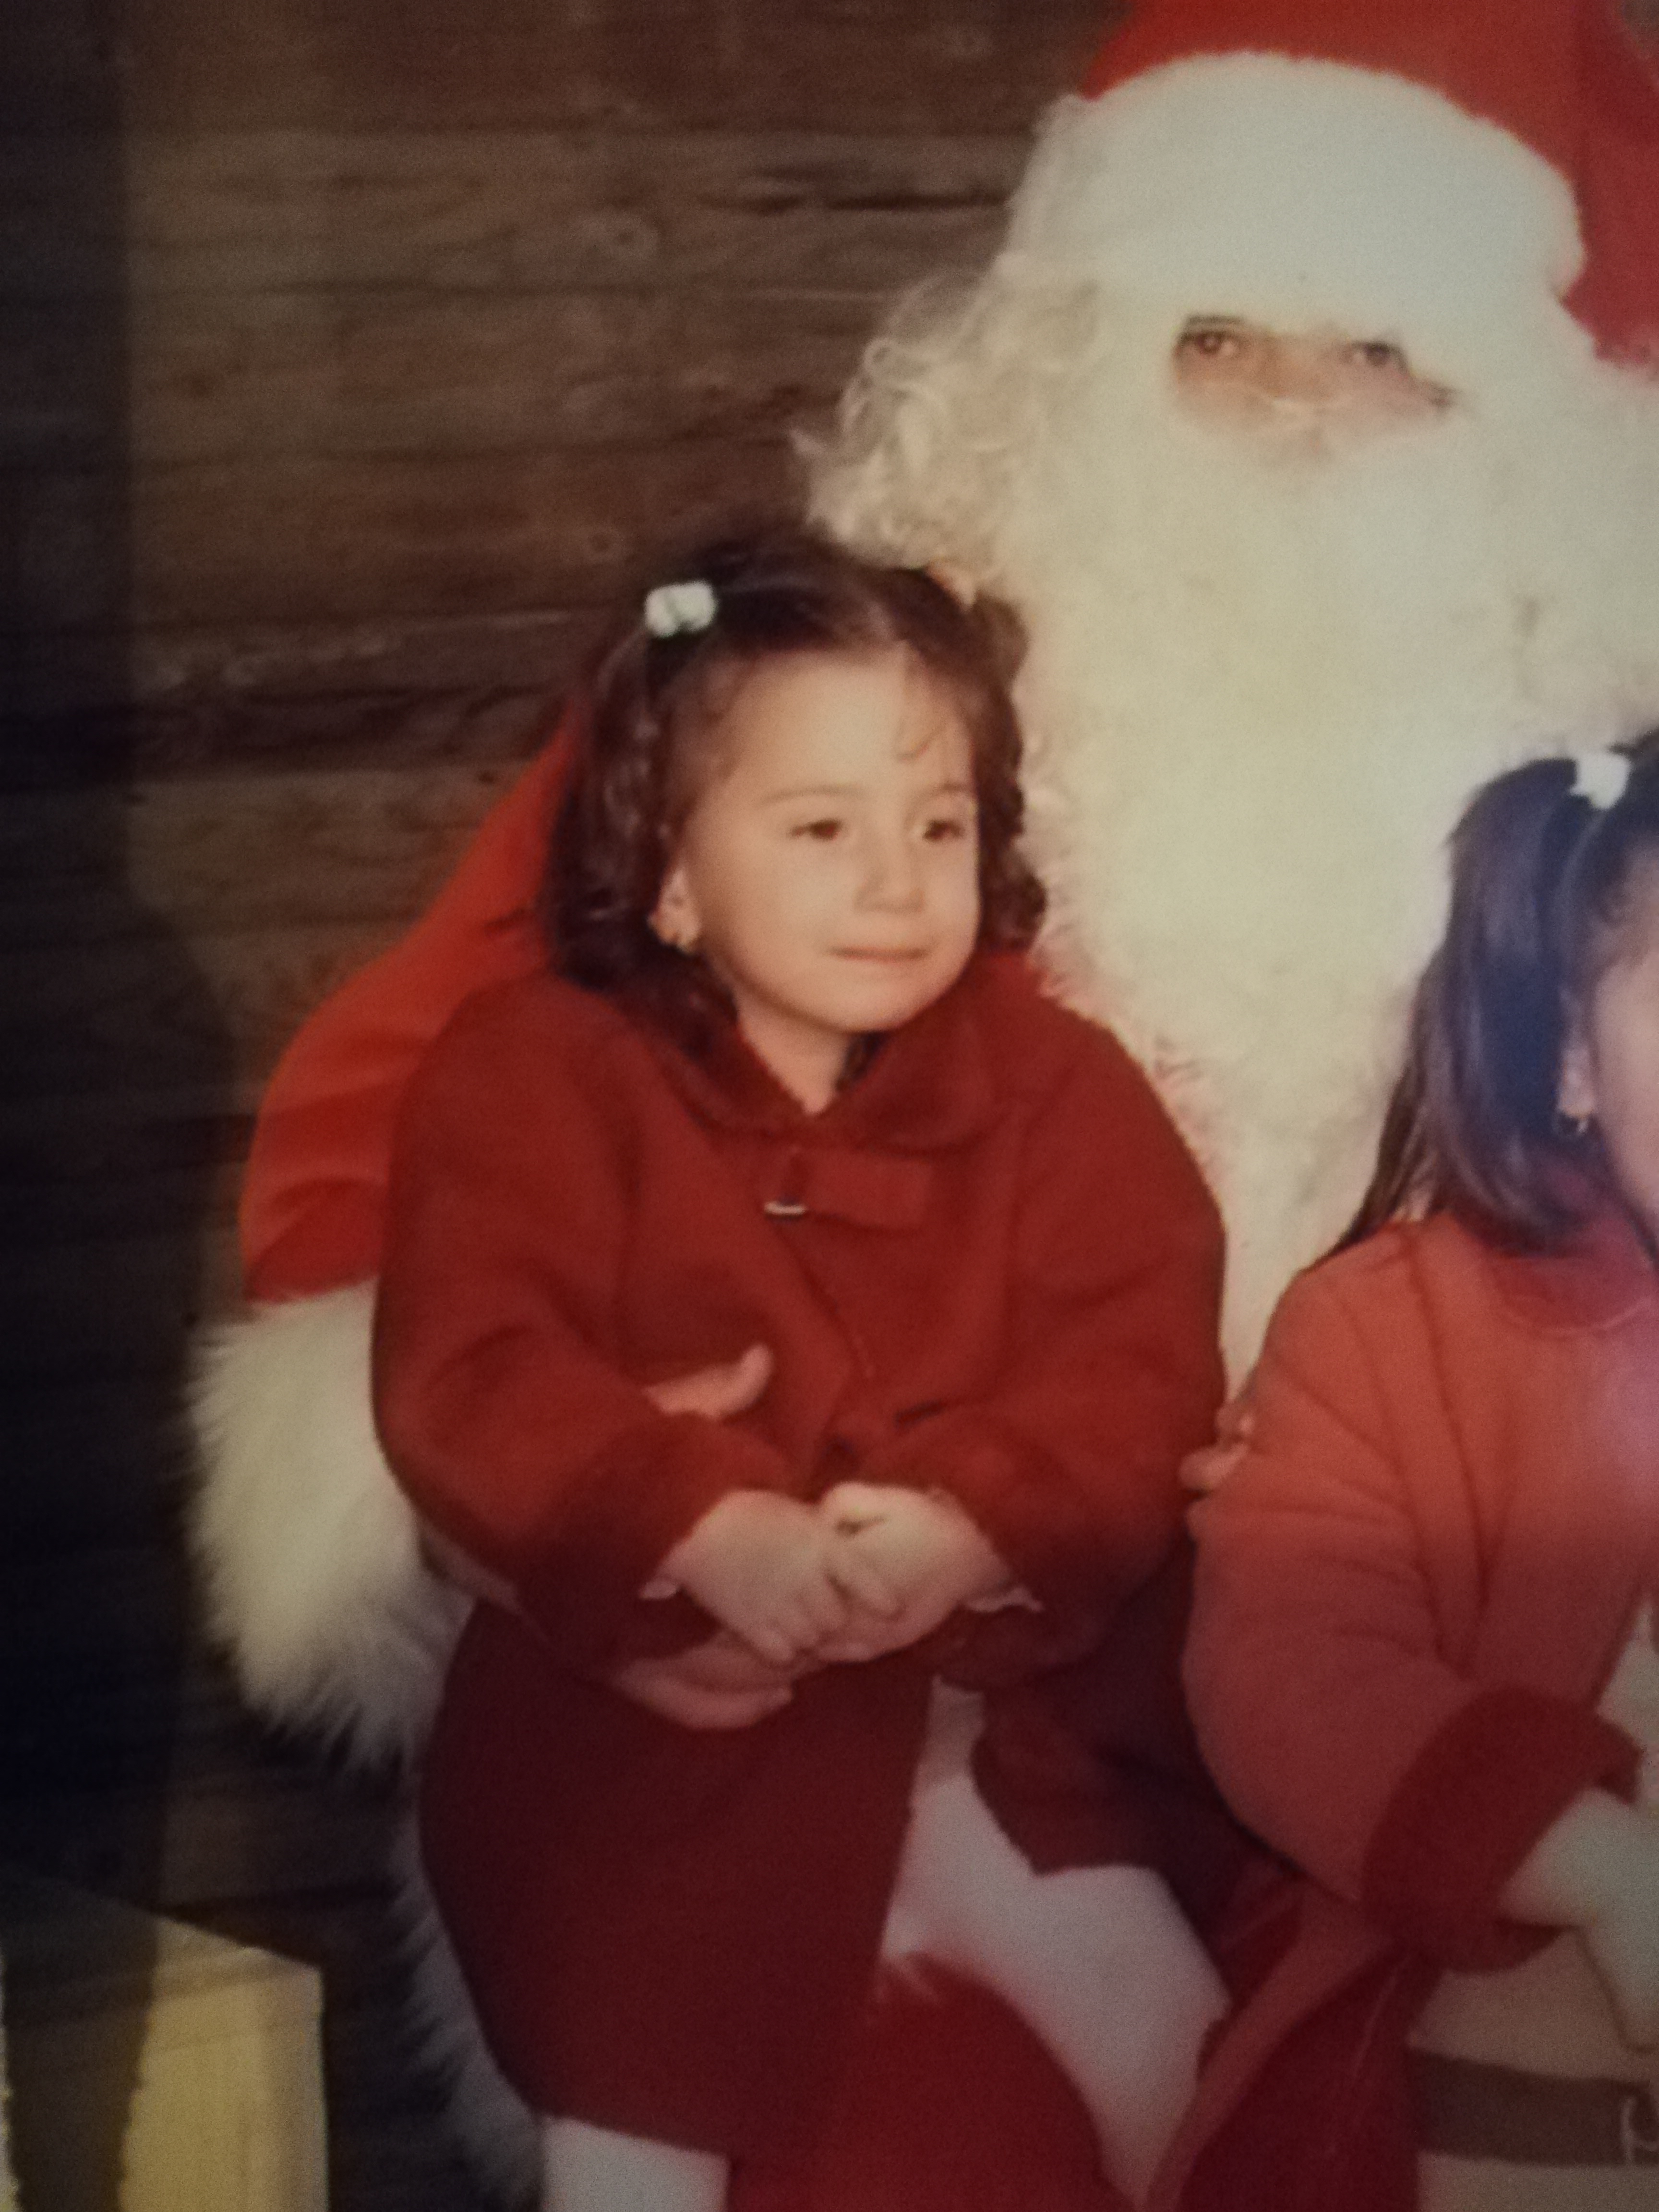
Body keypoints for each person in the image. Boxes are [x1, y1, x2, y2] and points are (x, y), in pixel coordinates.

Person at [371, 529, 1231, 2212]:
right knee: (633, 2120)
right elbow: (476, 1368)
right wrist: (699, 1523)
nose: (896, 882)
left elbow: (1136, 1358)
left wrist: (979, 1521)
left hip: (983, 1734)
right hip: (654, 1766)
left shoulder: (1057, 1084)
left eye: (940, 825)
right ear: (671, 871)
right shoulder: (538, 1075)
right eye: (823, 829)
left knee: (1183, 2053)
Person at [1166, 730, 1659, 2212]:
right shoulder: (1395, 1330)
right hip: (1490, 2148)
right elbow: (1287, 1672)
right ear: (1570, 1058)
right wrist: (1601, 1870)